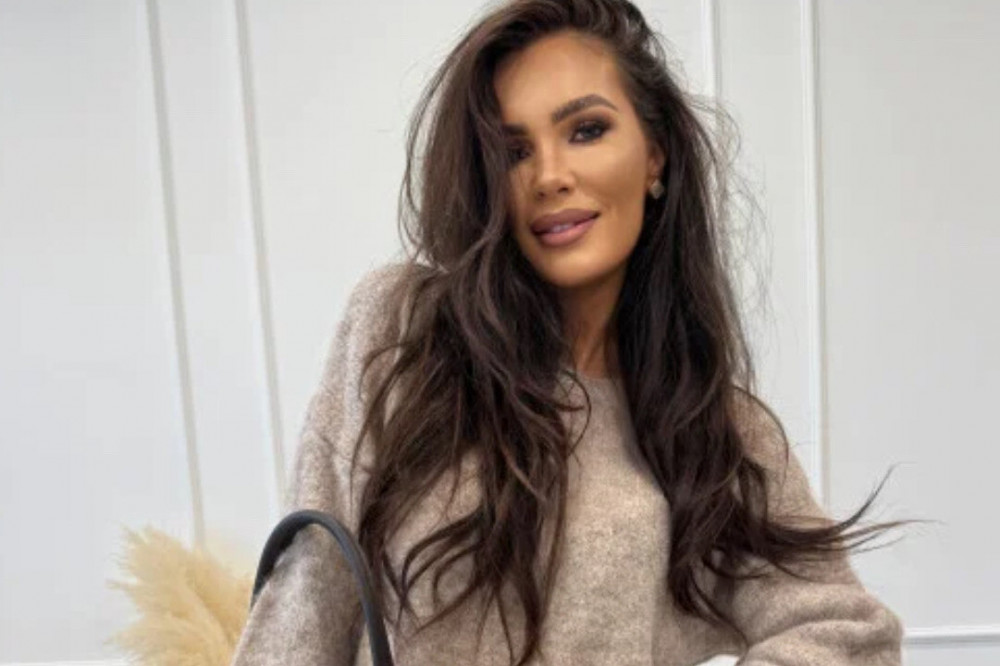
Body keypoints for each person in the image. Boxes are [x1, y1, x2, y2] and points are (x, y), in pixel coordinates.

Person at [231, 0, 909, 664]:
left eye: (586, 130)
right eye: (513, 151)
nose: (549, 177)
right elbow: (309, 599)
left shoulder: (710, 424)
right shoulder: (403, 331)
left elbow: (853, 635)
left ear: (654, 157)